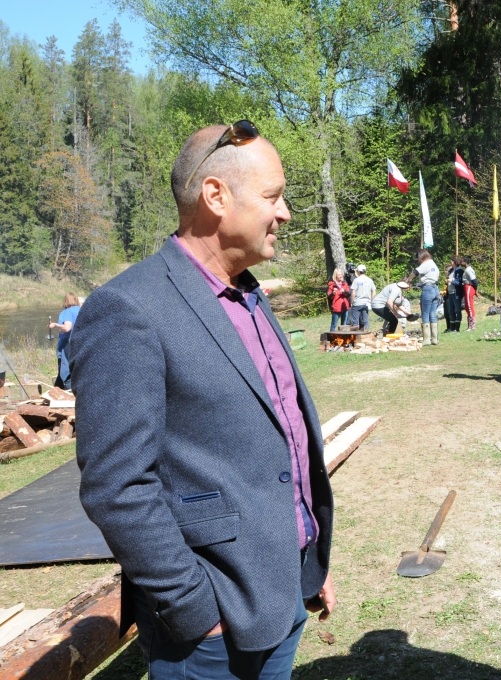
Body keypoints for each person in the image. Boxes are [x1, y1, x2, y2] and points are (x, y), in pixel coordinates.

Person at [68, 121, 335, 679]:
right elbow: (117, 485)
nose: (284, 213)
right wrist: (193, 608)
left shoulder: (248, 295)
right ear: (216, 196)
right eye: (272, 197)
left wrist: (304, 554)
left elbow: (277, 439)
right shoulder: (129, 309)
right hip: (210, 630)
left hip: (281, 590)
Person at [49, 292, 80, 390]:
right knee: (77, 371)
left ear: (66, 301)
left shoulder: (67, 312)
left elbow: (67, 328)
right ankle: (57, 391)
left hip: (68, 345)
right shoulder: (82, 310)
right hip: (80, 344)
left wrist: (55, 325)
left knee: (66, 372)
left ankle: (68, 393)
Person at [412, 249, 441, 345]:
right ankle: (435, 339)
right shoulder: (433, 264)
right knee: (432, 314)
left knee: (425, 314)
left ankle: (426, 340)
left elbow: (415, 272)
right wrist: (420, 283)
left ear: (421, 257)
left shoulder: (425, 264)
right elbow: (430, 277)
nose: (418, 260)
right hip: (435, 289)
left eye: (418, 258)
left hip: (427, 290)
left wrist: (408, 280)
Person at [350, 264, 376, 332]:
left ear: (358, 271)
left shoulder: (356, 280)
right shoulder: (370, 280)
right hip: (366, 304)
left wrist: (352, 302)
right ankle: (366, 333)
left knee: (355, 322)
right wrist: (371, 301)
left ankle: (355, 336)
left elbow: (353, 293)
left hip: (357, 303)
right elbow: (374, 292)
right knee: (365, 321)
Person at [444, 258, 464, 332]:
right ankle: (452, 328)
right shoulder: (451, 271)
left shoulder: (460, 271)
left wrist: (452, 281)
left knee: (457, 310)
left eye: (452, 261)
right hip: (450, 293)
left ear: (455, 262)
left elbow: (461, 283)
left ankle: (457, 328)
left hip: (456, 294)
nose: (450, 262)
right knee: (451, 311)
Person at [461, 256, 479, 330]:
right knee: (467, 307)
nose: (461, 262)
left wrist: (476, 290)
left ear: (465, 262)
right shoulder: (466, 270)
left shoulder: (469, 270)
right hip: (466, 287)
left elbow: (474, 280)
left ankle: (472, 326)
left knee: (470, 306)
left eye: (462, 261)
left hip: (469, 287)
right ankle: (469, 326)